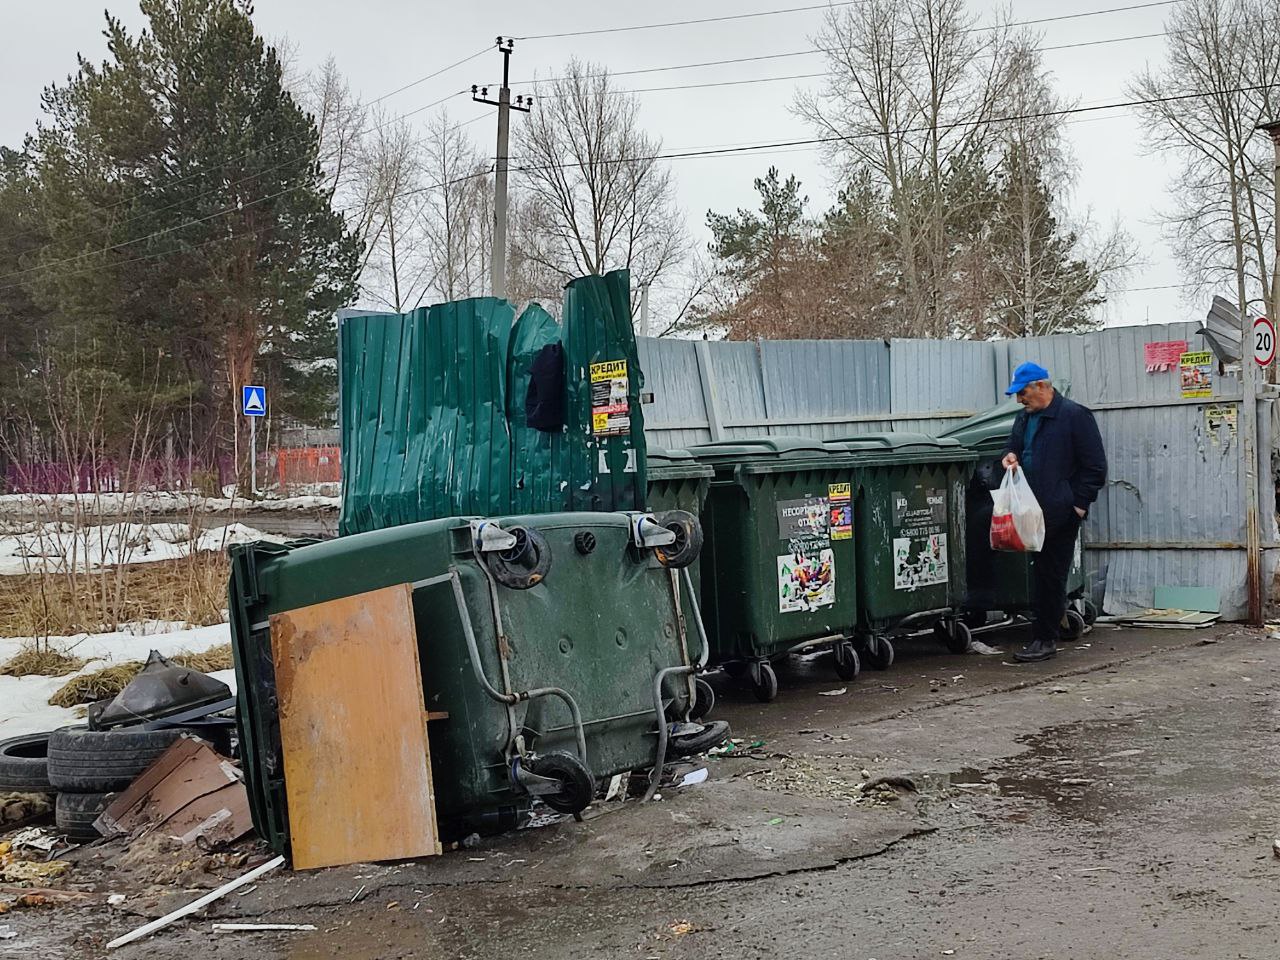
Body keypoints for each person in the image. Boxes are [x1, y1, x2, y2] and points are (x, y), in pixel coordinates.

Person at [1000, 362, 1107, 663]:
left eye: (1023, 393)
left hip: (1060, 509)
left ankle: (1044, 639)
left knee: (1050, 573)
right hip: (1032, 508)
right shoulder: (1025, 418)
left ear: (1042, 387)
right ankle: (1047, 631)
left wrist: (1077, 505)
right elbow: (1014, 445)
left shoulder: (1074, 416)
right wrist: (1009, 456)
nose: (1020, 400)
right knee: (1043, 571)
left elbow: (1095, 467)